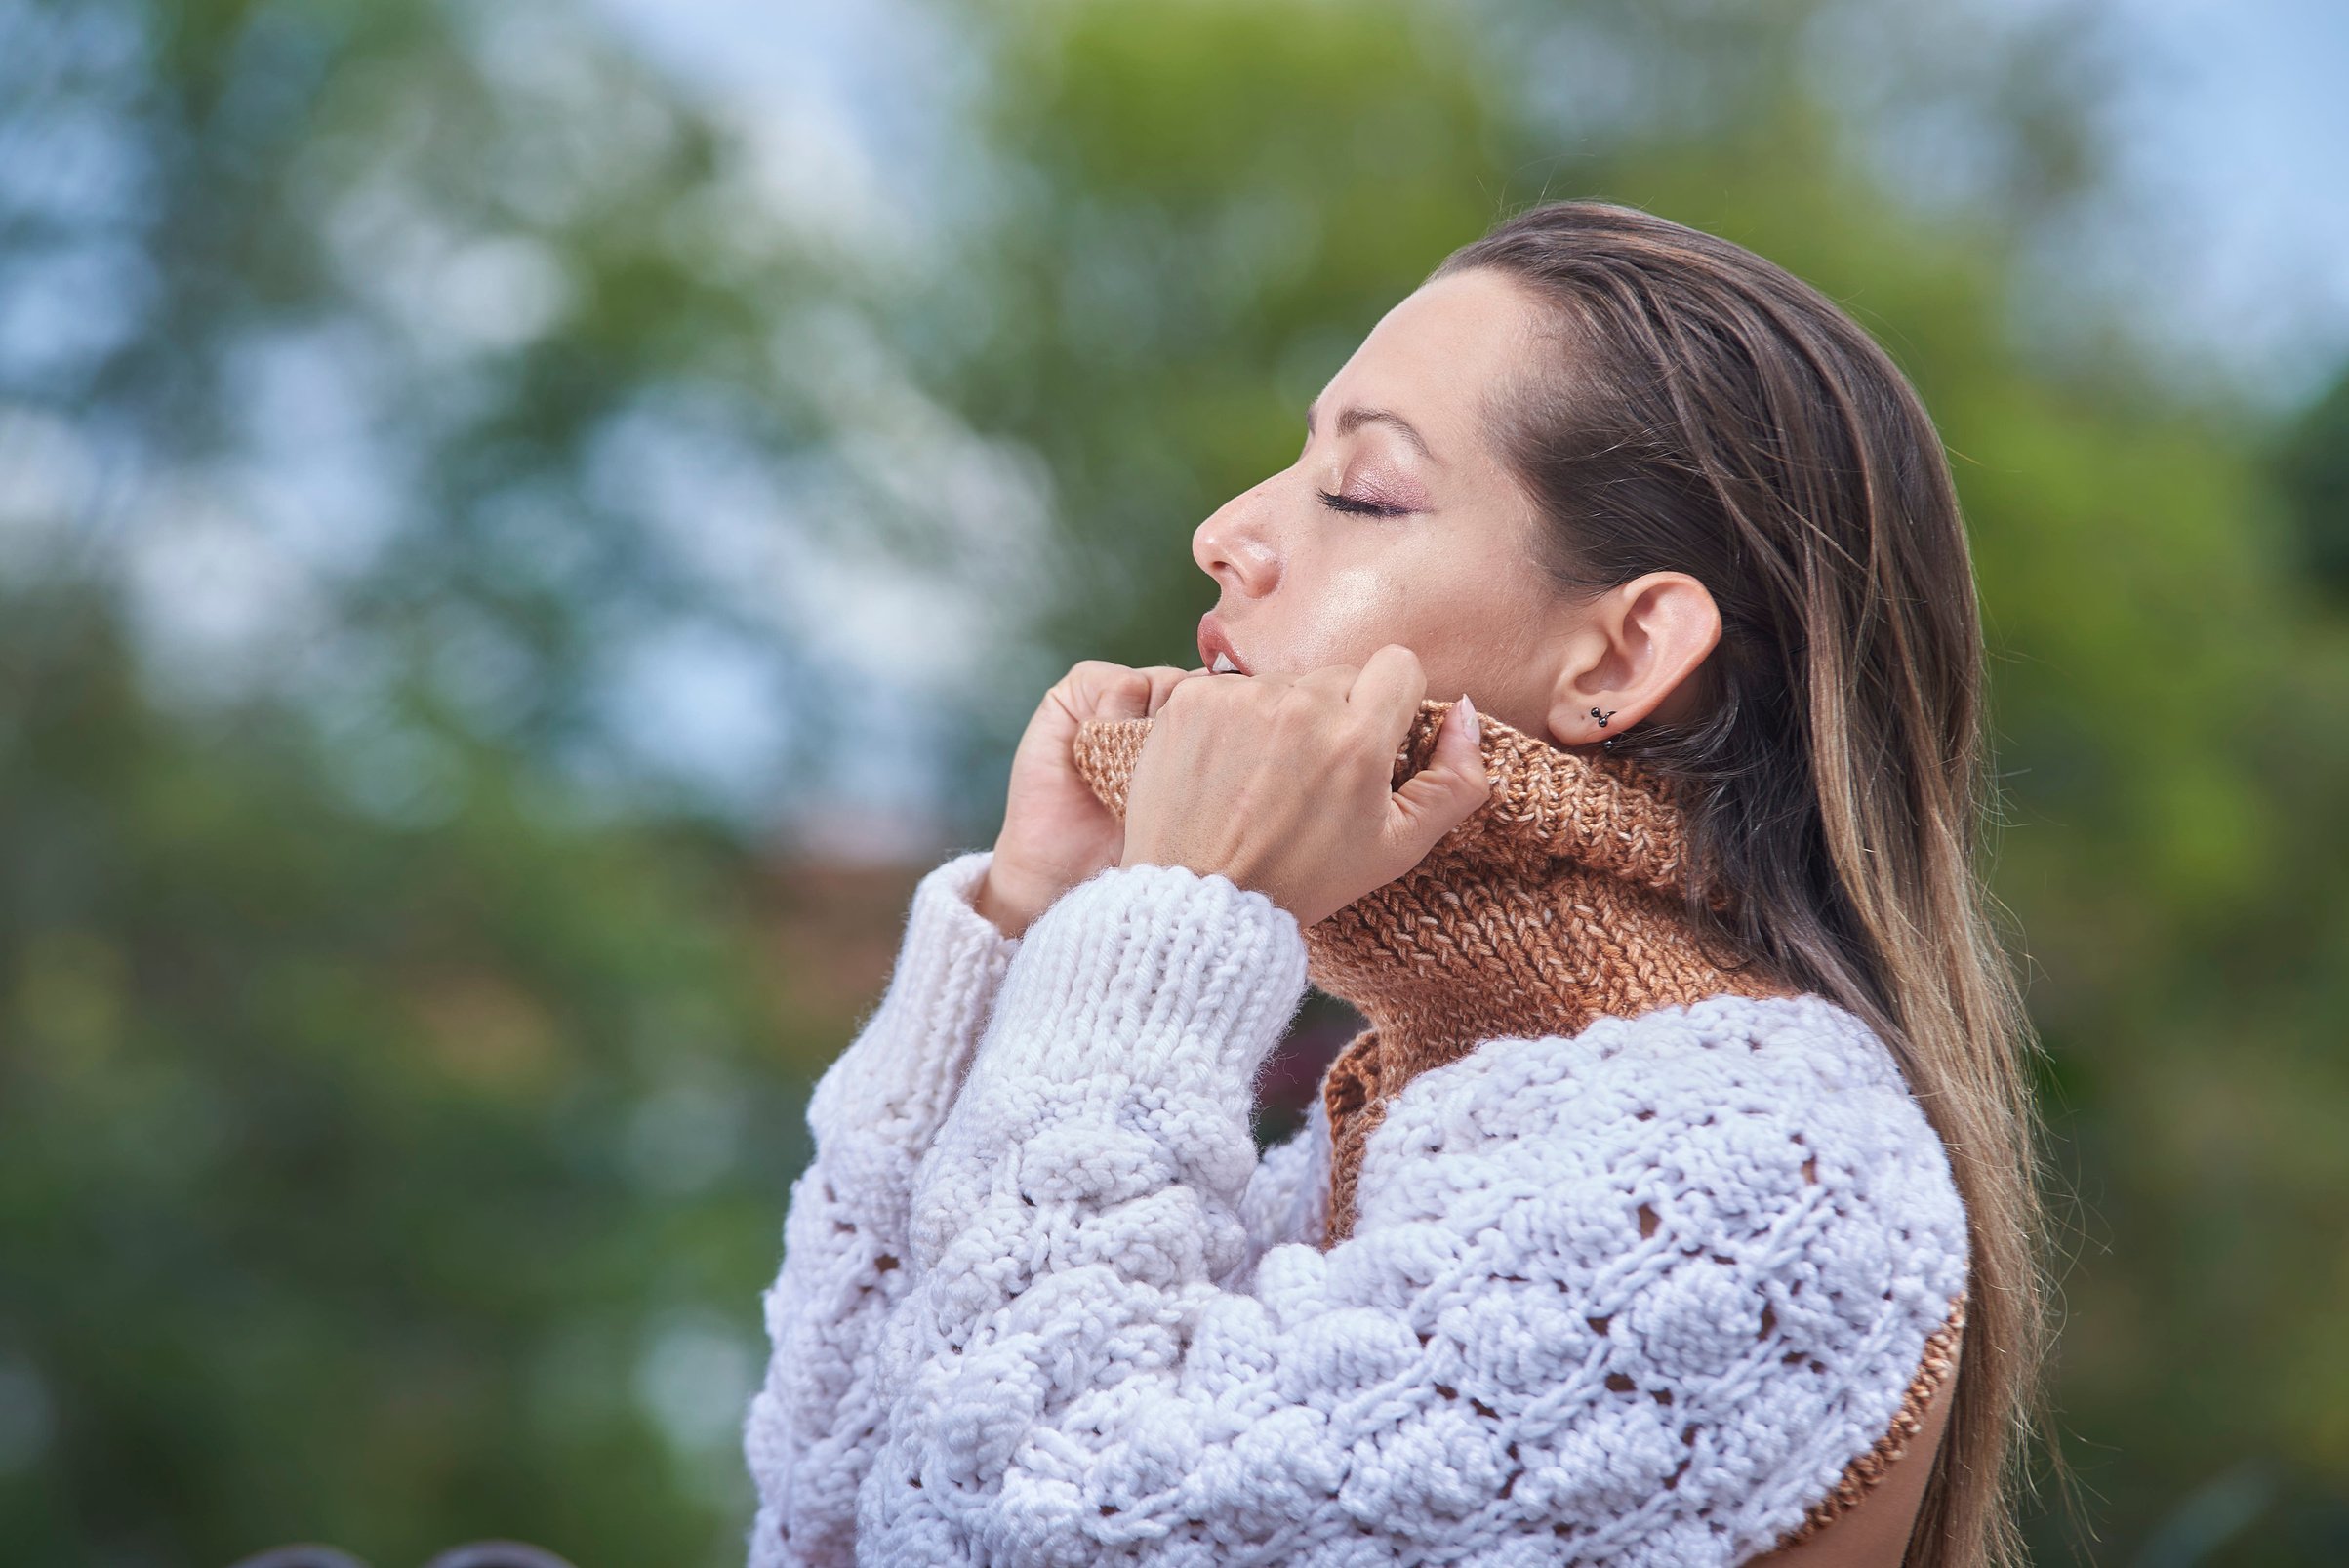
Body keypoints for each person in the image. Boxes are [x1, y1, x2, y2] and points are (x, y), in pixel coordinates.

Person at [740, 200, 2046, 1567]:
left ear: (1621, 656)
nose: (1224, 532)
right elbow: (829, 1522)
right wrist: (1028, 922)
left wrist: (1165, 933)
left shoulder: (1756, 1162)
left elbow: (1018, 1527)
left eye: (1360, 493)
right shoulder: (1380, 1138)